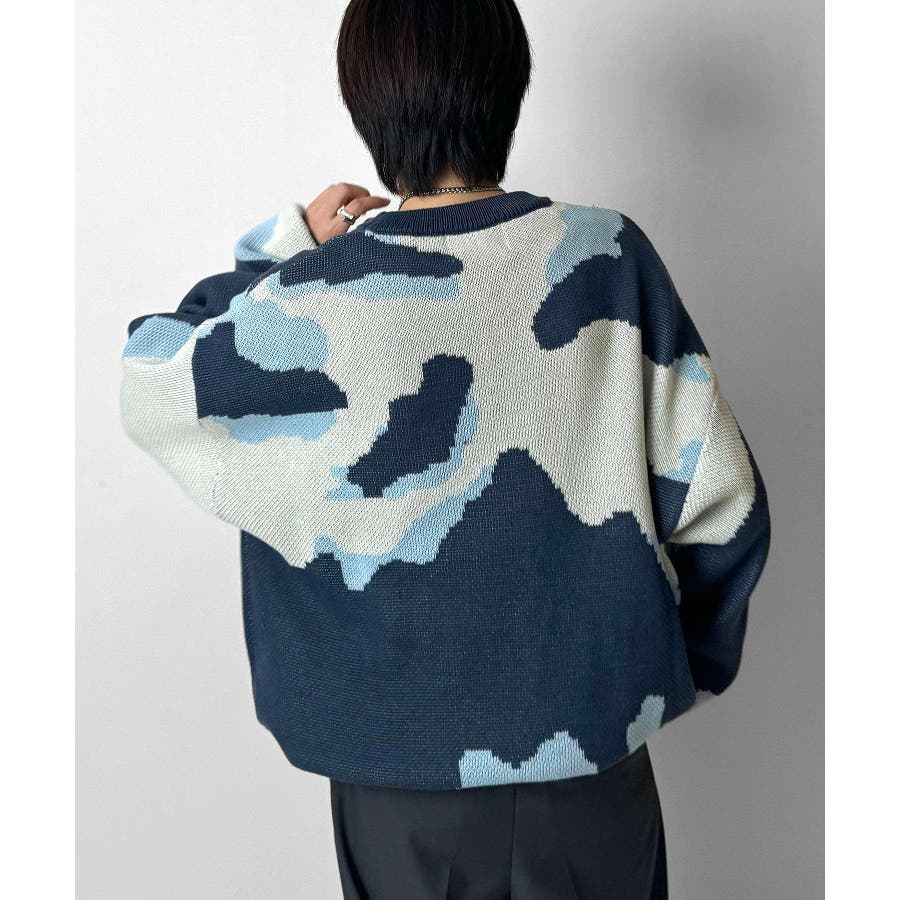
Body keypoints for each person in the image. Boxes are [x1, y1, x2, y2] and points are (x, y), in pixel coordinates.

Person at [120, 1, 771, 896]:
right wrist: (653, 676)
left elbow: (152, 376)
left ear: (367, 102)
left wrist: (281, 254)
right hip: (593, 769)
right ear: (509, 85)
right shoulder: (610, 258)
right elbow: (722, 508)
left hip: (396, 789)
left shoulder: (311, 295)